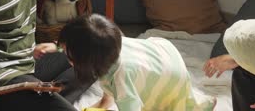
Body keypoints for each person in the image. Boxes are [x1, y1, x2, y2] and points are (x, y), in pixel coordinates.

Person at [56, 13, 216, 111]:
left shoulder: (122, 82)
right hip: (164, 52)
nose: (64, 54)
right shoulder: (109, 43)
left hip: (169, 81)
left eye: (68, 53)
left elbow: (129, 103)